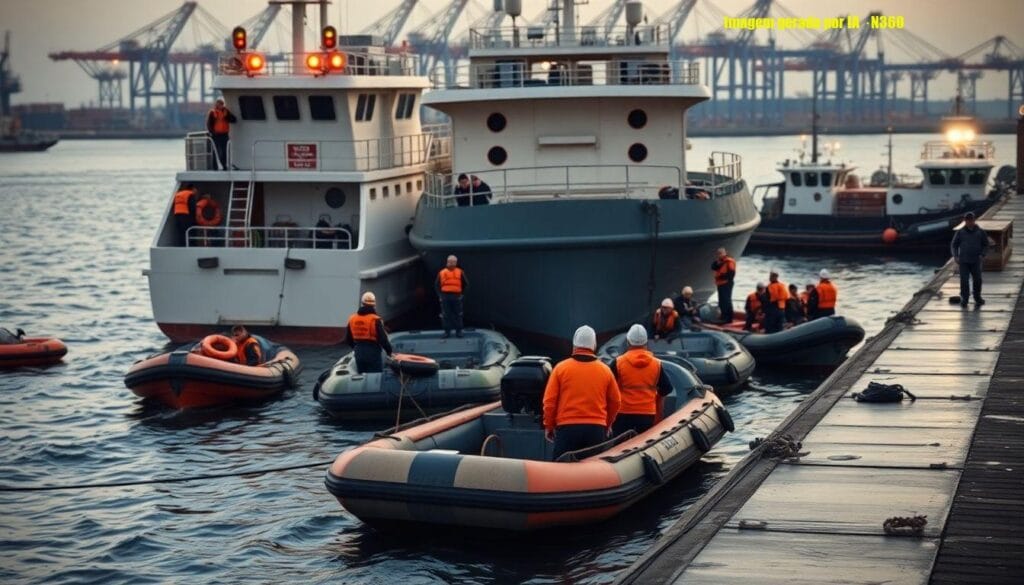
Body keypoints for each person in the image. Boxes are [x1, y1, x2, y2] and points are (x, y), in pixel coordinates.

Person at [543, 325, 621, 460]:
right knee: (594, 469)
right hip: (596, 429)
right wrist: (607, 424)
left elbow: (549, 402)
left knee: (561, 467)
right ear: (594, 345)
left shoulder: (560, 369)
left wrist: (549, 426)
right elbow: (616, 401)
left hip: (567, 429)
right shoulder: (605, 371)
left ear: (574, 345)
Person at [608, 324, 673, 436]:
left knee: (621, 443)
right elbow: (667, 388)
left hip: (623, 414)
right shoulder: (656, 364)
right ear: (646, 343)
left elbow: (607, 388)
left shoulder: (618, 363)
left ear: (628, 342)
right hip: (647, 414)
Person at [346, 291, 393, 373]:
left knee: (362, 376)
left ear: (362, 303)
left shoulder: (352, 319)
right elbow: (383, 339)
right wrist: (389, 352)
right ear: (374, 305)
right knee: (375, 377)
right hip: (373, 352)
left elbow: (348, 339)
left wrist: (357, 349)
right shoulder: (375, 320)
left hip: (359, 351)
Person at [950, 212, 988, 307]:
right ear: (965, 221)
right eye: (967, 220)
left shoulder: (980, 232)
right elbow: (954, 245)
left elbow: (986, 244)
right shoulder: (960, 232)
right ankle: (965, 299)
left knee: (977, 280)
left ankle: (977, 297)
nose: (970, 222)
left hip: (976, 260)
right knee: (964, 280)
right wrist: (955, 256)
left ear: (974, 220)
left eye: (971, 220)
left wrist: (983, 254)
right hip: (964, 261)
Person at [436, 255, 468, 338]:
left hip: (456, 296)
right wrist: (440, 295)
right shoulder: (442, 272)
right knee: (446, 314)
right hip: (445, 296)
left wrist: (462, 294)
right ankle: (447, 332)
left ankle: (459, 331)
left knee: (458, 314)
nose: (452, 263)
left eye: (454, 262)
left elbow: (465, 284)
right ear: (447, 262)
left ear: (456, 263)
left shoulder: (460, 272)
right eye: (450, 262)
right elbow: (437, 285)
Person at [206, 98, 237, 170]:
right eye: (219, 104)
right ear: (216, 105)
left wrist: (227, 117)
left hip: (224, 134)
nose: (220, 106)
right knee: (215, 151)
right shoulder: (212, 112)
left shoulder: (226, 112)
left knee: (224, 151)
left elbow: (234, 120)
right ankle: (215, 167)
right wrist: (212, 133)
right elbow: (209, 124)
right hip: (216, 135)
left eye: (221, 104)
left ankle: (224, 166)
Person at [710, 248, 737, 323]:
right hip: (720, 283)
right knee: (721, 300)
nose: (720, 255)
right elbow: (713, 267)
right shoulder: (720, 261)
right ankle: (723, 316)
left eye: (721, 253)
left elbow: (731, 273)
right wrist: (718, 262)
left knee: (726, 300)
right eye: (718, 253)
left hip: (726, 283)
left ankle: (728, 318)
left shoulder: (729, 261)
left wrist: (721, 277)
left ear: (725, 253)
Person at [764, 269, 789, 334]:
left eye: (771, 276)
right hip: (782, 308)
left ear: (774, 277)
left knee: (770, 326)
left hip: (773, 308)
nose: (769, 278)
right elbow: (786, 297)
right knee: (779, 327)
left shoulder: (770, 287)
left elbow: (768, 299)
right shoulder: (782, 285)